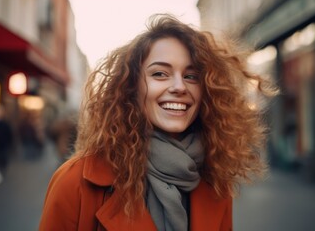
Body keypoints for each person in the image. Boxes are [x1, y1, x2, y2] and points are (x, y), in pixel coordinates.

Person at [39, 14, 275, 231]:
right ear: (132, 87)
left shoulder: (216, 183)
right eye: (159, 74)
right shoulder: (75, 181)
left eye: (191, 76)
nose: (179, 87)